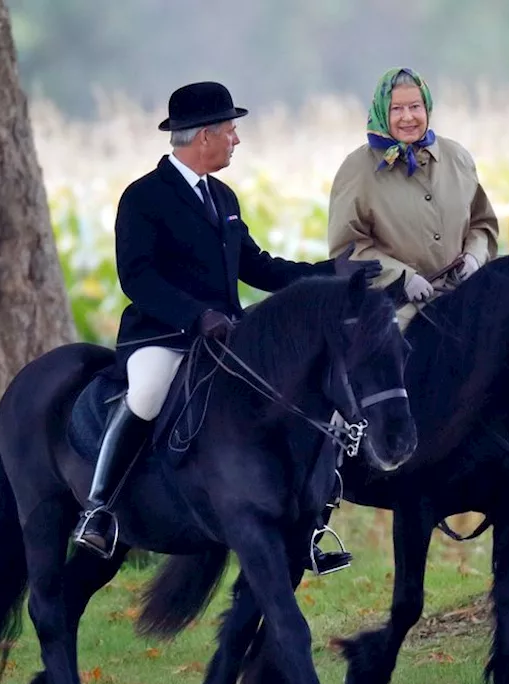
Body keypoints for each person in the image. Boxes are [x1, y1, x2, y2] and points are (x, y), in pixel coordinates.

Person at [73, 81, 381, 569]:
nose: (236, 140)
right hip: (163, 336)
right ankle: (100, 509)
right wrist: (196, 315)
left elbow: (258, 266)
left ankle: (306, 525)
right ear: (203, 137)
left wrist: (330, 273)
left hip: (225, 340)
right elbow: (137, 278)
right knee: (148, 394)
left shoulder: (222, 195)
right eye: (231, 131)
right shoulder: (143, 197)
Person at [326, 67, 509, 508]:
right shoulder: (357, 170)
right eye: (398, 108)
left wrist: (477, 258)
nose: (408, 117)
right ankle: (335, 466)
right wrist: (403, 277)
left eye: (415, 107)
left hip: (463, 296)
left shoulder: (457, 157)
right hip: (391, 302)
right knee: (380, 366)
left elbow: (482, 223)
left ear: (427, 108)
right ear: (382, 111)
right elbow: (347, 246)